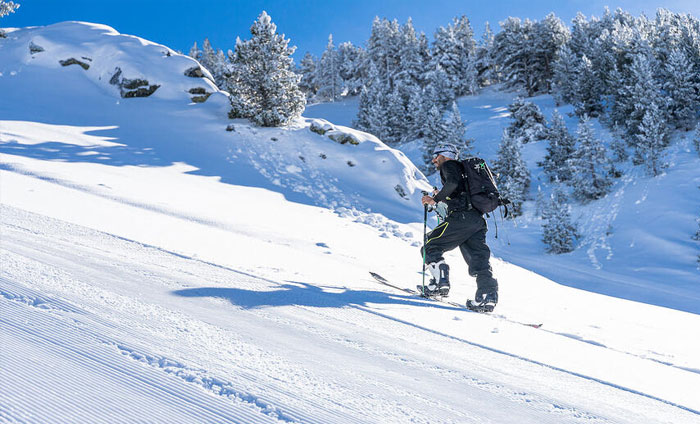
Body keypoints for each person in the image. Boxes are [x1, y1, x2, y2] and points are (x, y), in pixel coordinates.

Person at [420, 143, 499, 311]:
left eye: (436, 155)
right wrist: (441, 197)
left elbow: (453, 183)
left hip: (461, 217)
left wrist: (434, 199)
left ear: (445, 155)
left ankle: (439, 283)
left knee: (431, 244)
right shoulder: (464, 171)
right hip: (477, 220)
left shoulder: (449, 165)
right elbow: (459, 191)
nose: (434, 159)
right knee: (478, 257)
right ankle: (487, 295)